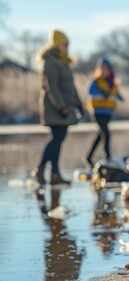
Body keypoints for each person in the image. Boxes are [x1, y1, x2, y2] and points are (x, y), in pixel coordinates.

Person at [32, 29, 83, 185]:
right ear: (56, 44)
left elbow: (71, 86)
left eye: (68, 44)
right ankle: (40, 169)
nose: (67, 46)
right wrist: (61, 107)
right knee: (57, 138)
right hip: (55, 108)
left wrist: (78, 103)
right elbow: (51, 86)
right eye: (64, 44)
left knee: (59, 139)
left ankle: (54, 174)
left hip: (66, 107)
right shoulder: (51, 61)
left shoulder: (64, 61)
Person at [85, 57, 123, 167]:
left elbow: (116, 94)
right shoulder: (96, 80)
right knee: (106, 133)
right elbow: (89, 91)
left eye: (107, 68)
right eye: (103, 68)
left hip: (108, 112)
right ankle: (108, 157)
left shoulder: (112, 82)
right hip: (97, 111)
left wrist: (120, 98)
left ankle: (89, 156)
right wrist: (102, 92)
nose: (105, 70)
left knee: (101, 134)